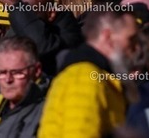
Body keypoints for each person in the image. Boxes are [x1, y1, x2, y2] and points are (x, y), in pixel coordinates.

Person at [38, 9, 139, 138]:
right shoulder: (85, 78)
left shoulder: (92, 75)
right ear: (108, 37)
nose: (136, 48)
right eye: (131, 39)